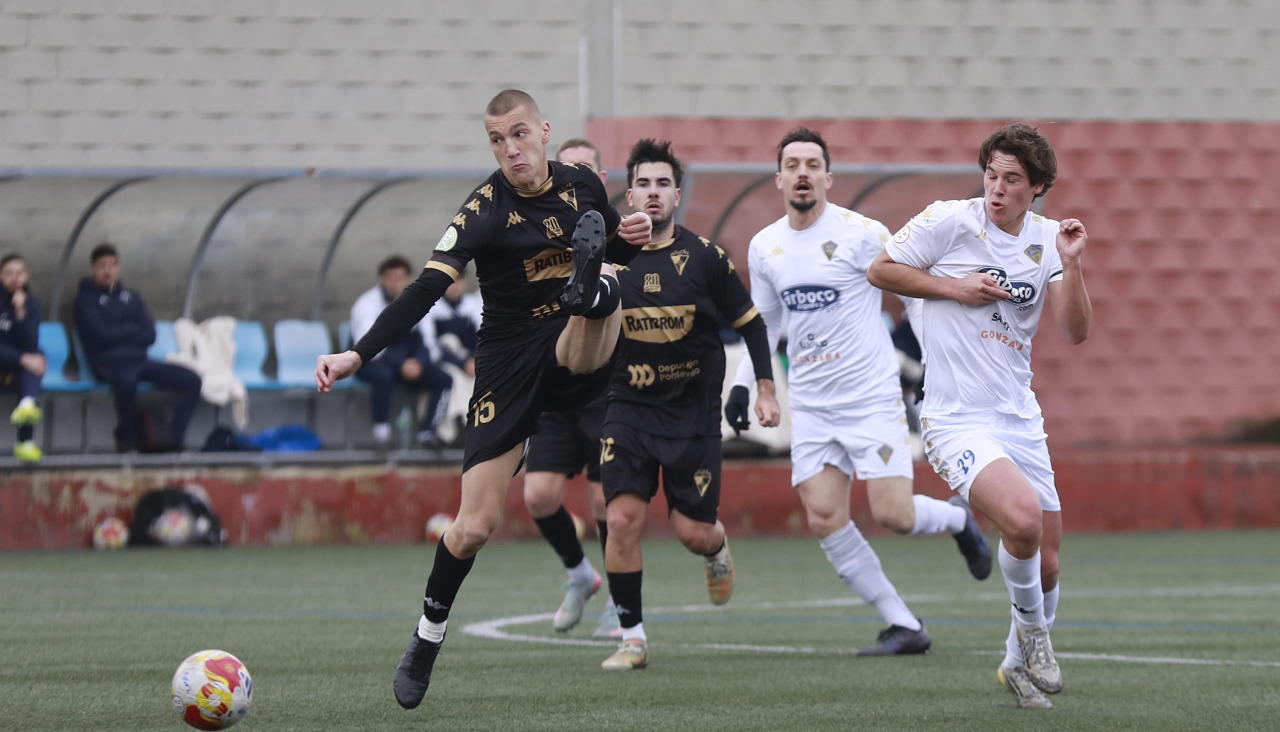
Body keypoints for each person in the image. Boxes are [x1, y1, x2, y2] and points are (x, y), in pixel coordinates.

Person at [314, 89, 652, 709]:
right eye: (497, 140)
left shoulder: (582, 186)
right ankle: (425, 638)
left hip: (575, 349)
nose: (510, 150)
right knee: (473, 526)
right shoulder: (483, 210)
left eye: (520, 135)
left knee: (600, 294)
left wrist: (627, 240)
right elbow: (422, 291)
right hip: (506, 361)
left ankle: (590, 292)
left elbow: (620, 247)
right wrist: (356, 355)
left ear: (545, 131)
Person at [727, 127, 993, 657]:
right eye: (792, 164)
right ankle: (904, 624)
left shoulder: (863, 233)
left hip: (870, 398)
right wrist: (744, 384)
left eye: (812, 164)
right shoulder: (765, 246)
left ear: (828, 177)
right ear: (779, 178)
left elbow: (911, 291)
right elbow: (763, 321)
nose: (802, 172)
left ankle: (959, 519)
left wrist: (934, 359)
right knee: (824, 515)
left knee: (894, 514)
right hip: (811, 404)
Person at [867, 123, 1091, 709]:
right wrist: (954, 287)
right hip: (954, 417)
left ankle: (1017, 665)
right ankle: (1037, 638)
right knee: (1021, 521)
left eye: (1012, 179)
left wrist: (1072, 266)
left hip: (1019, 415)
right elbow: (881, 269)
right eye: (991, 175)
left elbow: (1074, 331)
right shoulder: (950, 220)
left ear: (1037, 187)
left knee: (1046, 562)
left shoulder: (1047, 241)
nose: (996, 189)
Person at [599, 139, 780, 670]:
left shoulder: (705, 258)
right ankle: (632, 639)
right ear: (629, 194)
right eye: (643, 184)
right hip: (627, 407)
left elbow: (751, 323)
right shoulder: (610, 258)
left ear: (676, 195)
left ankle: (715, 547)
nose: (652, 194)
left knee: (691, 532)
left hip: (691, 414)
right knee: (623, 520)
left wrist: (765, 386)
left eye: (663, 184)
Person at [522, 138, 621, 640]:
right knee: (538, 496)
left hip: (604, 390)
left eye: (585, 171)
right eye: (567, 170)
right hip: (553, 391)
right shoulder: (533, 232)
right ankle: (581, 576)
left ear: (600, 182)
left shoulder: (618, 235)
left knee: (606, 501)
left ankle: (621, 603)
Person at [73, 243, 202, 452]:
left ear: (119, 268)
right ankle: (127, 438)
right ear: (93, 269)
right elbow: (100, 336)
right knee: (126, 382)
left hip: (140, 361)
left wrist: (120, 332)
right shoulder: (85, 300)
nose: (108, 271)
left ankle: (174, 438)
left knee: (192, 380)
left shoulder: (132, 297)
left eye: (112, 265)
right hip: (107, 363)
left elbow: (150, 334)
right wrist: (132, 329)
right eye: (102, 266)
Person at [351, 255, 453, 447]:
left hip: (409, 362)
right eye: (390, 277)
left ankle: (427, 432)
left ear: (408, 278)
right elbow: (367, 347)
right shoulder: (366, 304)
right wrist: (402, 364)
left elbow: (428, 341)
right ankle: (381, 434)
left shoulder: (420, 301)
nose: (395, 282)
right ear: (382, 278)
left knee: (444, 379)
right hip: (374, 362)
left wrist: (418, 363)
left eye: (400, 277)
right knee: (383, 375)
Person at [1, 254, 45, 463]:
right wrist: (22, 358)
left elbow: (30, 343)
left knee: (37, 358)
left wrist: (20, 312)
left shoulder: (33, 303)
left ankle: (25, 439)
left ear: (26, 276)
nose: (15, 278)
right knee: (32, 360)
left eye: (19, 273)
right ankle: (27, 406)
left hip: (16, 370)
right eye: (9, 273)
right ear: (1, 276)